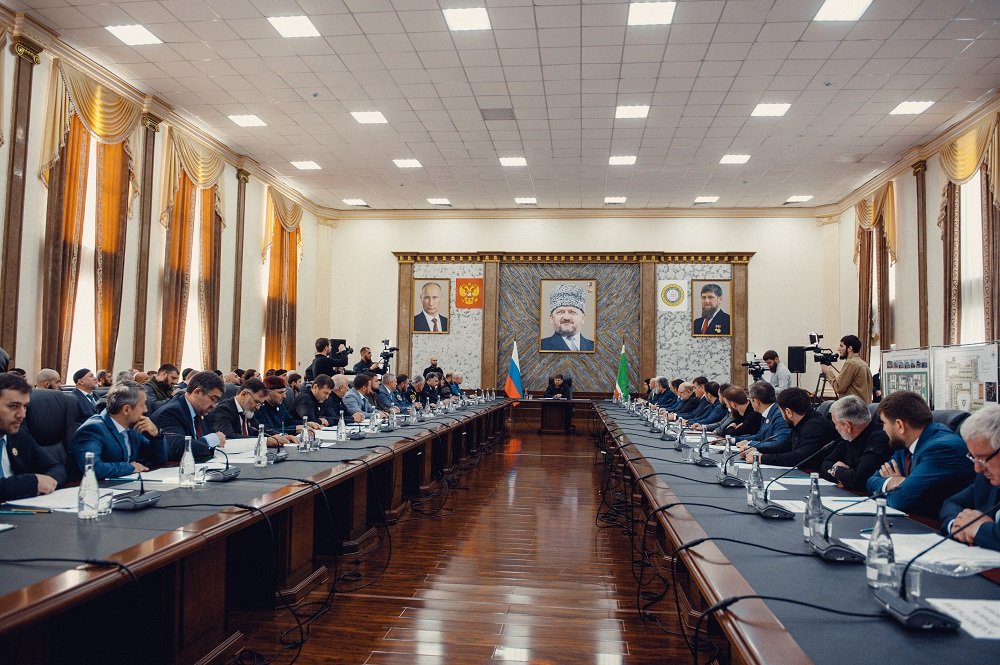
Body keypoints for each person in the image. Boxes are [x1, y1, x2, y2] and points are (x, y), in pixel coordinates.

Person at [866, 390, 975, 518]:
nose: (883, 429)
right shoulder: (904, 445)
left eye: (884, 423)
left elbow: (899, 500)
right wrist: (891, 482)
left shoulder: (941, 449)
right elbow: (871, 480)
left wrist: (902, 487)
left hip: (939, 524)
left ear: (900, 425)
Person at [70, 381, 166, 479]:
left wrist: (156, 434)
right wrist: (130, 467)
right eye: (142, 405)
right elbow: (92, 469)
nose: (146, 410)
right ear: (126, 409)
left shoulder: (132, 427)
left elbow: (159, 459)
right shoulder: (93, 429)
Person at [941, 404, 1000, 550]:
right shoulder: (986, 479)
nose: (977, 468)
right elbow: (952, 503)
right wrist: (958, 525)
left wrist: (979, 528)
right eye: (974, 458)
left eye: (983, 458)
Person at [0, 372, 66, 502]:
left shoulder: (19, 435)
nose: (22, 415)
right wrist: (32, 483)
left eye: (25, 406)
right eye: (13, 406)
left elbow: (56, 467)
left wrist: (49, 480)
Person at [743, 388, 836, 467]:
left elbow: (799, 457)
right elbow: (784, 446)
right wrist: (756, 450)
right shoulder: (801, 423)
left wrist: (761, 458)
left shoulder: (815, 426)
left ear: (788, 412)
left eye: (781, 412)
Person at [820, 395, 892, 491]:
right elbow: (825, 463)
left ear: (847, 426)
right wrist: (844, 474)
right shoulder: (848, 436)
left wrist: (836, 471)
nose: (835, 428)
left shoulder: (879, 439)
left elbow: (860, 479)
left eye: (835, 424)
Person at [150, 370, 226, 461]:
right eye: (213, 399)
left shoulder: (201, 410)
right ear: (197, 392)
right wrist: (213, 439)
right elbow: (178, 449)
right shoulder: (170, 412)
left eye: (216, 402)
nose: (213, 406)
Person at [206, 378, 291, 447]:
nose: (258, 407)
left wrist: (281, 436)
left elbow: (260, 429)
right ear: (244, 394)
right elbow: (228, 437)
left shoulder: (247, 410)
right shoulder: (223, 410)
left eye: (261, 404)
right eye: (257, 402)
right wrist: (264, 441)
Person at [736, 381, 790, 456]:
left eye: (750, 399)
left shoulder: (779, 415)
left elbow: (779, 443)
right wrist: (734, 440)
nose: (749, 402)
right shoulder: (768, 412)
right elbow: (760, 436)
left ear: (756, 401)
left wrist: (750, 444)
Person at [819, 334, 873, 404]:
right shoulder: (863, 364)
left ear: (849, 348)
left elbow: (839, 388)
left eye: (841, 346)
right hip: (863, 407)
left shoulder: (851, 363)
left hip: (852, 408)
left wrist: (827, 371)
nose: (838, 349)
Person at [540, 283, 594, 351]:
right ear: (551, 318)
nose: (566, 317)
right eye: (560, 312)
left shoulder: (594, 347)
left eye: (572, 312)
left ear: (583, 318)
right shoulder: (540, 346)